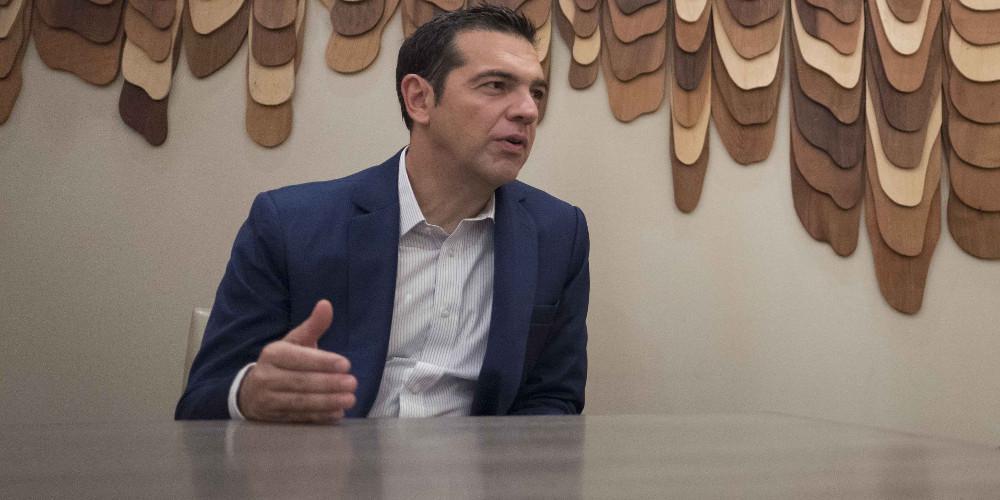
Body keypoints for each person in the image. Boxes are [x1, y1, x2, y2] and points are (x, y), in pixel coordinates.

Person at [175, 5, 589, 423]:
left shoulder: (559, 233)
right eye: (496, 86)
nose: (528, 111)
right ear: (419, 99)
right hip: (332, 460)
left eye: (537, 93)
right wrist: (250, 394)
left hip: (480, 463)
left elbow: (553, 398)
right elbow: (200, 403)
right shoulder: (288, 225)